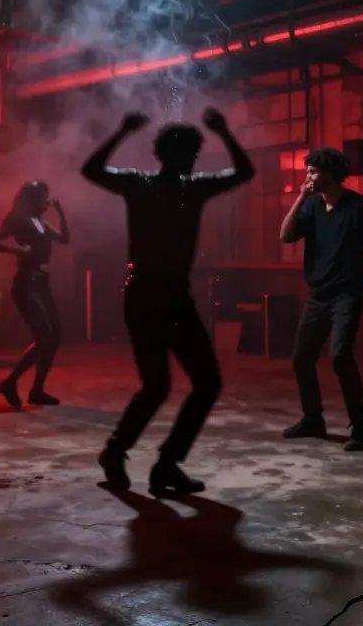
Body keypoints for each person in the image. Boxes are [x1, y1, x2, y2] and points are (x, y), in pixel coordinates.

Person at [82, 108, 254, 495]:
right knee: (167, 385)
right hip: (150, 293)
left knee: (192, 383)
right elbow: (90, 171)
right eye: (187, 153)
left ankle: (154, 461)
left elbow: (243, 173)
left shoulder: (174, 187)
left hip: (164, 294)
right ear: (166, 155)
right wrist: (223, 131)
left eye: (192, 154)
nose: (190, 160)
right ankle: (139, 458)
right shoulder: (161, 186)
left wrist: (122, 131)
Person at [278, 148, 363, 451]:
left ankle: (361, 427)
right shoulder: (311, 206)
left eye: (313, 172)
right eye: (308, 171)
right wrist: (300, 197)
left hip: (347, 294)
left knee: (340, 356)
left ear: (329, 174)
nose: (308, 177)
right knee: (301, 357)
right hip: (318, 295)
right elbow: (286, 236)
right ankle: (313, 419)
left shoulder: (358, 208)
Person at [0, 180, 69, 409]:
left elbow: (65, 239)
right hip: (26, 282)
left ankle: (37, 390)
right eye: (44, 196)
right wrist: (16, 250)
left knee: (55, 335)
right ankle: (10, 382)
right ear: (33, 198)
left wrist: (60, 212)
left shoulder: (41, 222)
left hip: (42, 282)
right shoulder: (17, 219)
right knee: (44, 335)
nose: (47, 200)